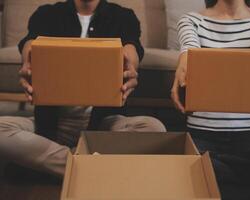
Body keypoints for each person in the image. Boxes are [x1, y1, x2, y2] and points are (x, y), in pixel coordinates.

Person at [0, 0, 166, 176]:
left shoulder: (123, 16)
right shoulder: (47, 13)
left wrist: (131, 65)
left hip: (103, 126)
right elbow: (30, 43)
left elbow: (131, 47)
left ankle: (58, 166)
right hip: (50, 124)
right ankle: (87, 166)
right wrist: (28, 61)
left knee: (154, 128)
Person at [171, 0, 250, 155]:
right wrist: (184, 60)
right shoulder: (191, 20)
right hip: (201, 134)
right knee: (206, 171)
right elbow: (188, 50)